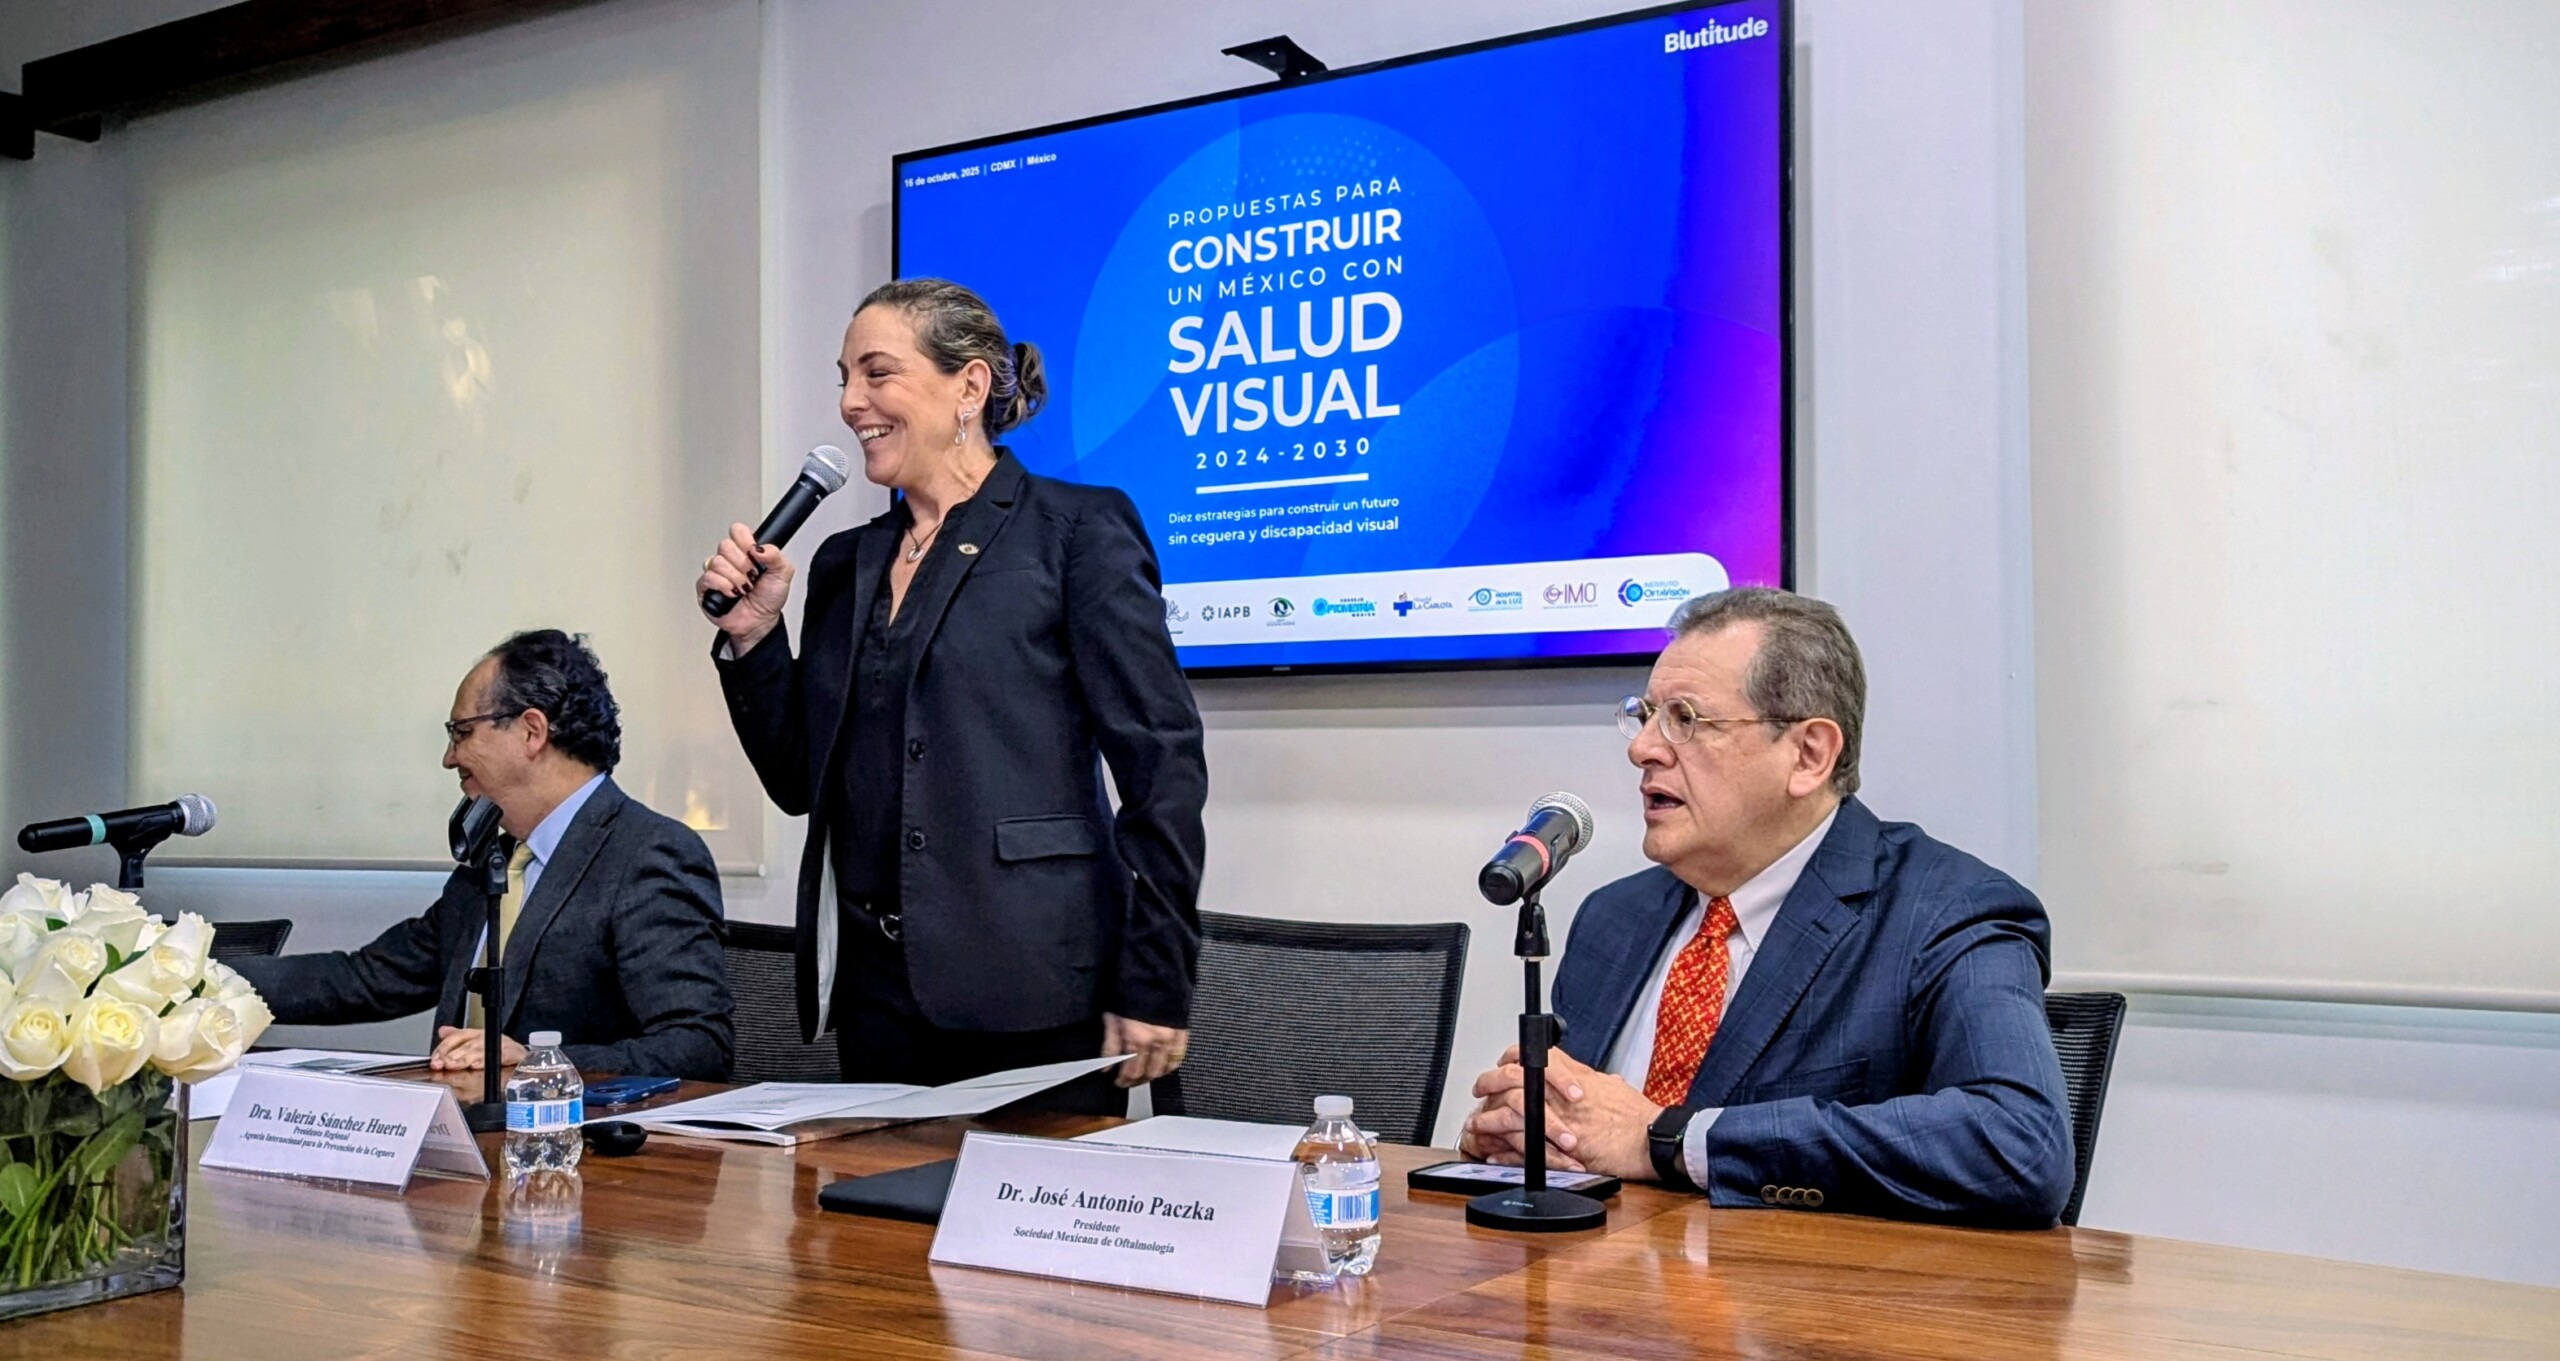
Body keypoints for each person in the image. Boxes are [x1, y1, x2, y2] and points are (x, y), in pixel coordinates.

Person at [696, 278, 1207, 1112]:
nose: (850, 402)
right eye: (844, 379)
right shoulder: (843, 564)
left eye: (877, 373)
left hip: (1036, 992)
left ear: (969, 386)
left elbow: (1165, 772)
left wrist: (1157, 975)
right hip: (877, 1000)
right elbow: (798, 779)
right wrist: (755, 639)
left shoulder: (1075, 531)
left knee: (1032, 1201)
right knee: (880, 1206)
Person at [1458, 588, 2075, 1226]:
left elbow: (2020, 1145)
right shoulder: (1614, 918)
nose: (1642, 748)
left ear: (1809, 755)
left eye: (1685, 719)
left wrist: (1670, 1140)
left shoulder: (1946, 911)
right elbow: (1589, 1132)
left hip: (1801, 1284)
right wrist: (1519, 1137)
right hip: (1599, 1276)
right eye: (1644, 715)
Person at [234, 630, 734, 1081]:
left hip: (581, 1142)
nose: (449, 757)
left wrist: (540, 1062)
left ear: (532, 730)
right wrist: (204, 979)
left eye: (462, 732)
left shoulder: (648, 853)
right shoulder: (493, 861)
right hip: (468, 1134)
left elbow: (697, 1046)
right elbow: (368, 978)